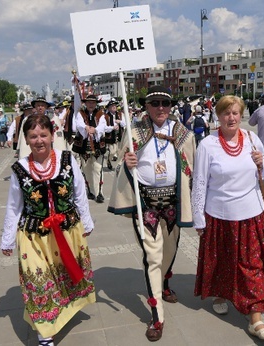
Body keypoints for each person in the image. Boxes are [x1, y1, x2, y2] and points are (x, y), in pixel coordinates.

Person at [107, 86, 195, 342]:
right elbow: (120, 165)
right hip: (145, 205)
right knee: (152, 258)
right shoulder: (135, 133)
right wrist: (127, 164)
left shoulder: (183, 134)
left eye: (165, 104)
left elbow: (192, 168)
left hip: (173, 204)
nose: (160, 108)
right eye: (155, 103)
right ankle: (157, 315)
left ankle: (165, 282)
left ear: (171, 107)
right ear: (146, 106)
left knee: (169, 253)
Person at [0, 115, 95, 346]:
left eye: (43, 135)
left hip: (67, 230)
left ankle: (63, 312)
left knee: (65, 277)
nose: (39, 140)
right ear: (26, 139)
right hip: (34, 236)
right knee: (40, 282)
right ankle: (45, 333)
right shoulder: (19, 169)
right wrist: (7, 239)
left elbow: (79, 192)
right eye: (33, 136)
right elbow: (14, 205)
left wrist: (87, 221)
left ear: (53, 135)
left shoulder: (66, 159)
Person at [192, 95, 264, 340]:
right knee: (223, 260)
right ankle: (221, 293)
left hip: (251, 213)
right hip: (219, 214)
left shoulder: (252, 139)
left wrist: (262, 165)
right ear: (218, 116)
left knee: (252, 265)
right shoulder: (207, 144)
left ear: (241, 115)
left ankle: (256, 319)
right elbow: (200, 182)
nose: (231, 118)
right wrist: (199, 217)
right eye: (226, 113)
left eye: (236, 113)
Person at [72, 94, 107, 203]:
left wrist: (95, 130)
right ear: (85, 103)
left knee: (98, 168)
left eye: (93, 102)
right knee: (87, 169)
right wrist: (86, 128)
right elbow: (78, 124)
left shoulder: (101, 114)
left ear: (96, 103)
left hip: (97, 145)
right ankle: (91, 190)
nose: (91, 104)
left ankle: (99, 192)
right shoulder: (80, 113)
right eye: (89, 102)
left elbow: (102, 126)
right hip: (83, 145)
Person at [103, 100, 124, 169]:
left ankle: (119, 166)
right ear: (108, 108)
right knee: (112, 152)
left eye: (115, 105)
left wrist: (120, 122)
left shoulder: (120, 114)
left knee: (120, 153)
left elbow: (126, 124)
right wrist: (112, 128)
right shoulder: (106, 116)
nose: (114, 107)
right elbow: (104, 128)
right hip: (111, 137)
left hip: (120, 136)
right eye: (112, 106)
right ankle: (109, 160)